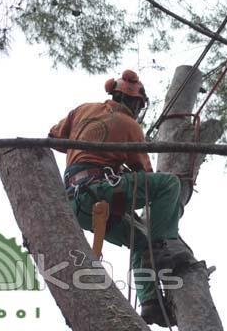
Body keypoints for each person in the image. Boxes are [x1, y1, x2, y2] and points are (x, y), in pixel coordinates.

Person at [49, 69, 189, 326]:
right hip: (101, 189)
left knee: (139, 240)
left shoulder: (82, 109)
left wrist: (103, 156)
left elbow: (55, 138)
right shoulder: (130, 125)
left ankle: (150, 303)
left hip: (76, 204)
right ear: (135, 103)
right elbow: (145, 176)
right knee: (169, 184)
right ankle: (163, 247)